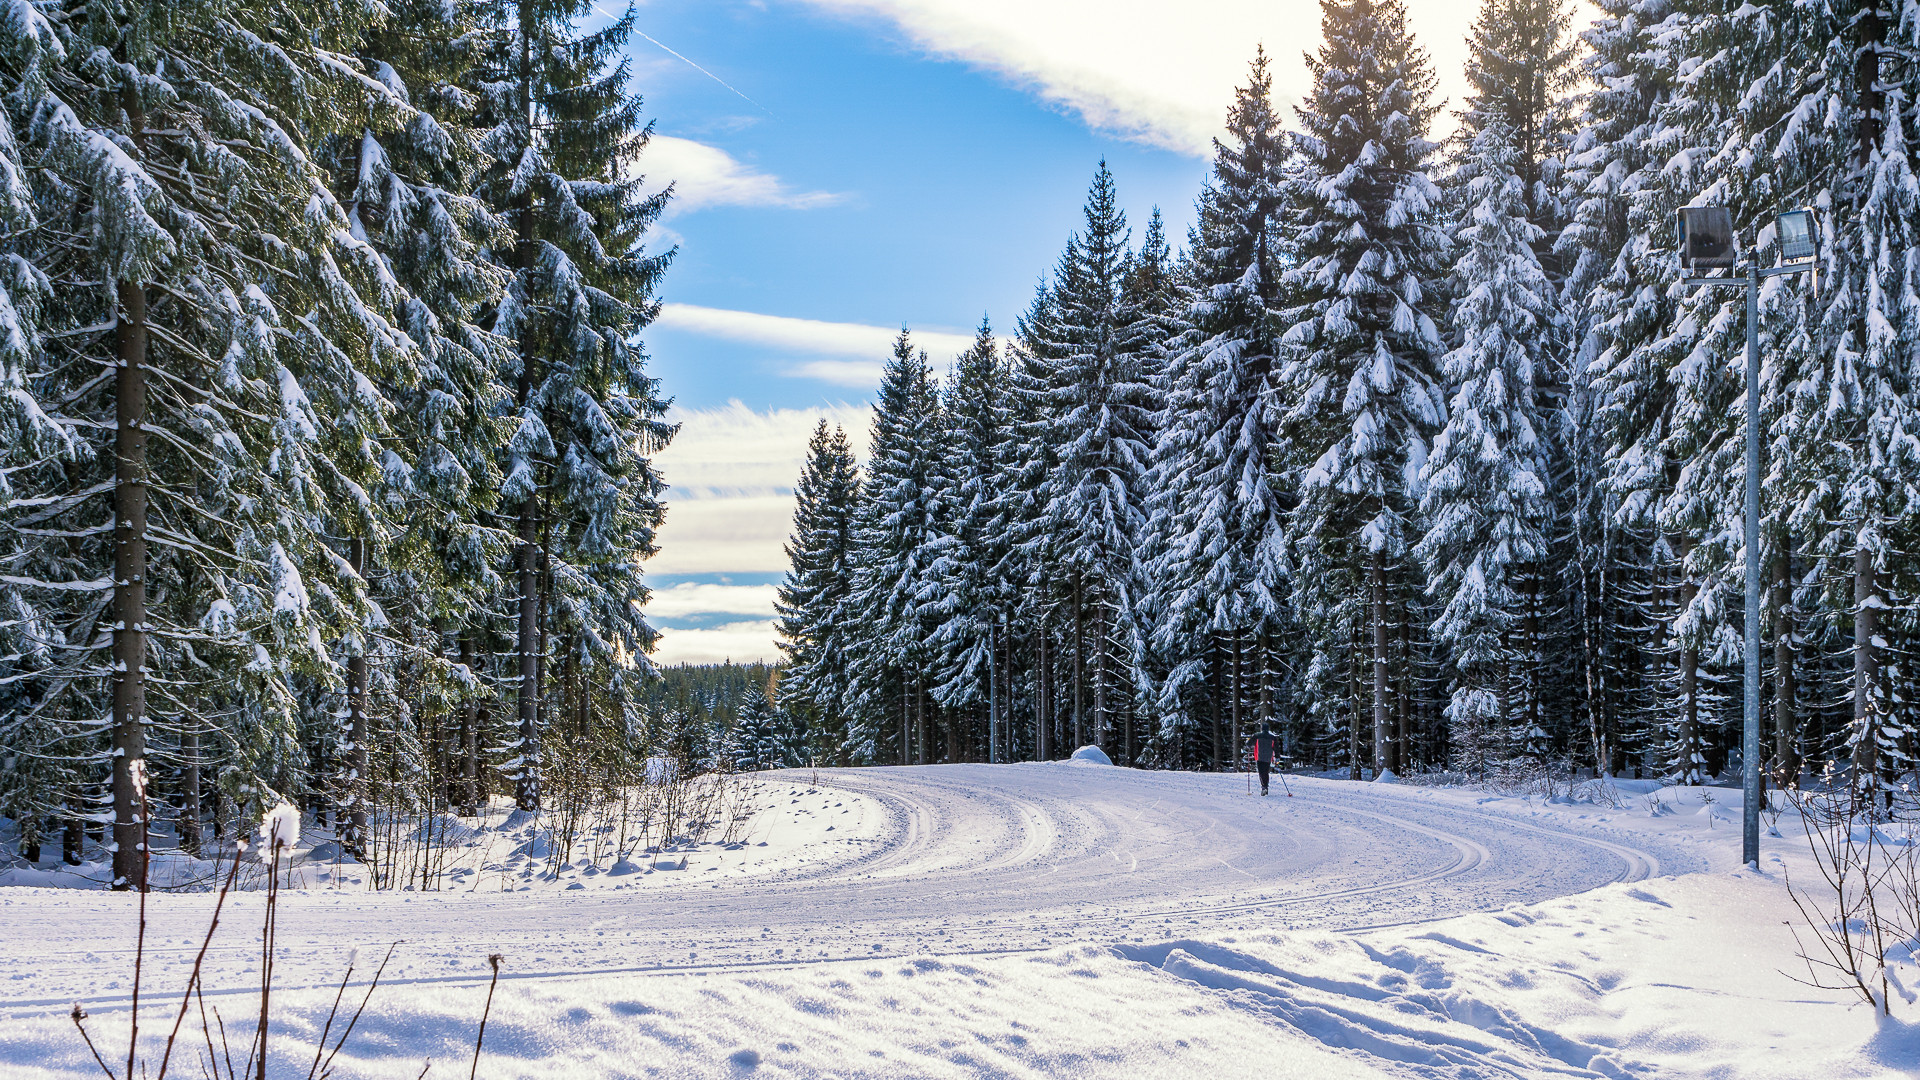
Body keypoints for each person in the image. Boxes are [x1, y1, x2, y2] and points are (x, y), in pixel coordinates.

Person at [1250, 723, 1278, 796]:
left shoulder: (1257, 735)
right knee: (1266, 772)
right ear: (1268, 729)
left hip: (1259, 756)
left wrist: (1249, 744)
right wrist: (1277, 756)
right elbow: (1276, 748)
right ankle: (1265, 787)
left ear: (1262, 728)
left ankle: (1264, 787)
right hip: (1268, 757)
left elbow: (1248, 744)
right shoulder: (1273, 737)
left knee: (1261, 772)